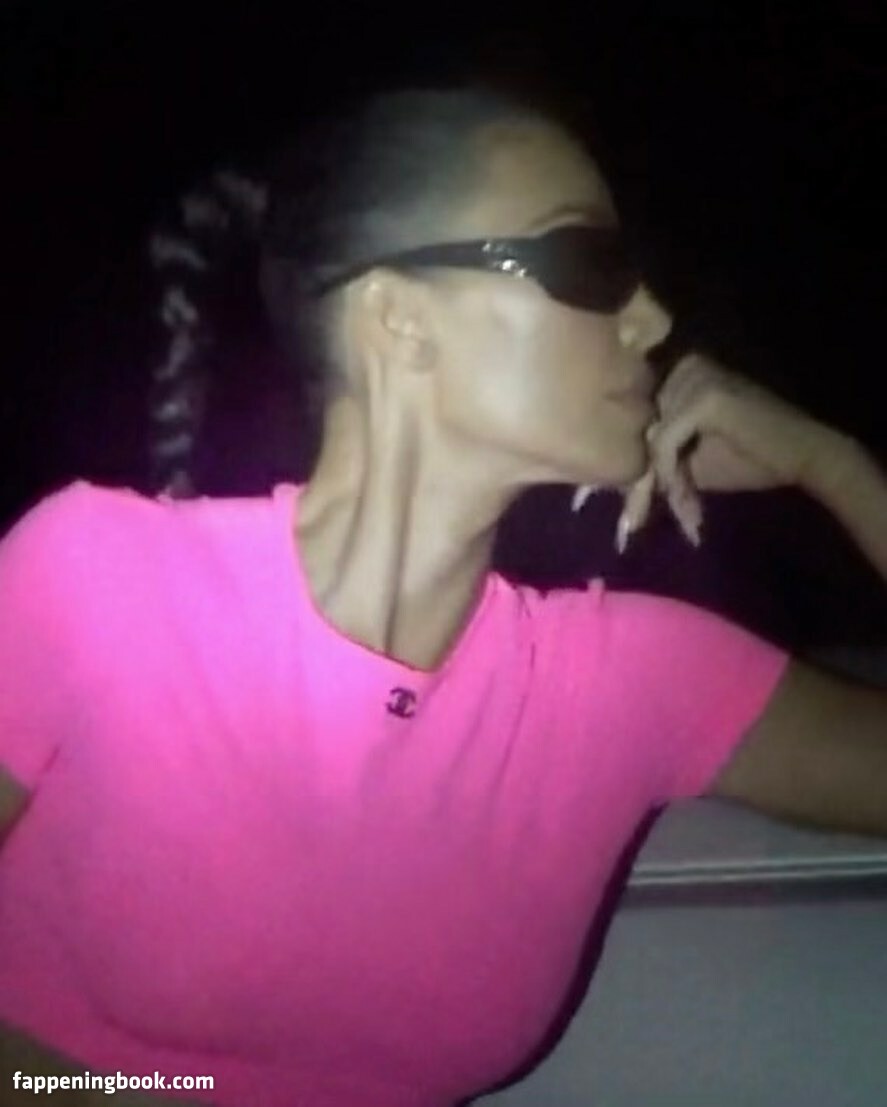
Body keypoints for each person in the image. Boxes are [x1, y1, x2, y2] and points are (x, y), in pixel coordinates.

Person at [1, 83, 886, 1107]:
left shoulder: (626, 684)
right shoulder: (103, 583)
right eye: (586, 263)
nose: (649, 319)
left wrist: (837, 468)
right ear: (399, 321)